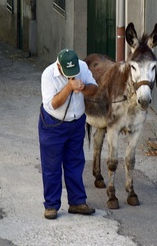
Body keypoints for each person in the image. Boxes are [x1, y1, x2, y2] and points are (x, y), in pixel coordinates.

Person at [38, 48, 98, 220]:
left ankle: (77, 202)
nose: (72, 75)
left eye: (74, 73)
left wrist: (83, 87)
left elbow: (94, 89)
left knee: (75, 163)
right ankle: (51, 205)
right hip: (53, 125)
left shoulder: (82, 67)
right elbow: (54, 104)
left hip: (76, 124)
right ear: (59, 65)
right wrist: (69, 87)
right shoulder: (48, 75)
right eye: (68, 73)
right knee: (52, 166)